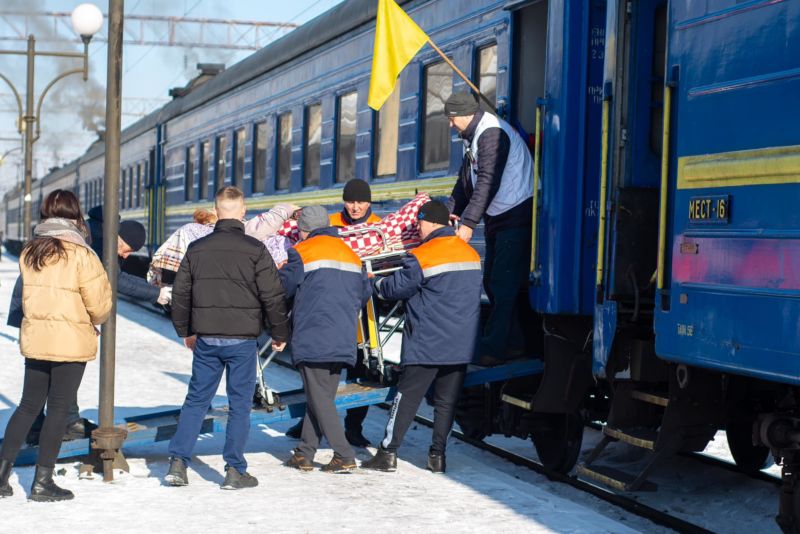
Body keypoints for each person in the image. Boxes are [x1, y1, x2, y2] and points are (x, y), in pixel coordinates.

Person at [165, 186, 290, 490]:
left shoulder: (197, 249)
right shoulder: (256, 249)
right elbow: (272, 296)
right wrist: (279, 332)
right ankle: (234, 470)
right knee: (239, 405)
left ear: (216, 211)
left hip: (207, 339)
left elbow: (180, 294)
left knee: (196, 400)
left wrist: (186, 331)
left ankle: (178, 463)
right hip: (241, 341)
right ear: (243, 212)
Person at [0, 189, 112, 501]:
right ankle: (42, 483)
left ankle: (1, 476)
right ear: (75, 216)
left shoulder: (30, 252)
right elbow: (100, 306)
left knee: (27, 406)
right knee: (58, 410)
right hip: (71, 343)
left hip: (37, 340)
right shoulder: (83, 255)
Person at [361, 201, 481, 474]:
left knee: (406, 398)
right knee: (446, 402)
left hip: (426, 343)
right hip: (460, 344)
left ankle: (387, 453)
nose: (418, 228)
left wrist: (373, 281)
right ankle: (437, 457)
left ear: (431, 222)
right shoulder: (471, 254)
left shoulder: (423, 255)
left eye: (420, 223)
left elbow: (393, 289)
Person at [285, 180, 380, 446]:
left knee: (358, 374)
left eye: (361, 202)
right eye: (350, 201)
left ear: (369, 202)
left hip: (359, 317)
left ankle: (352, 430)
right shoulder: (330, 223)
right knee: (320, 383)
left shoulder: (377, 226)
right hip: (335, 313)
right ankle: (308, 435)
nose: (355, 207)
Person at [444, 92, 533, 366]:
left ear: (465, 114)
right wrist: (450, 211)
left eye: (451, 118)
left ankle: (494, 349)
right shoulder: (473, 136)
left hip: (516, 214)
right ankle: (517, 343)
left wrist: (469, 222)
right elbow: (465, 180)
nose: (450, 125)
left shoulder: (492, 134)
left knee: (501, 283)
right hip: (500, 216)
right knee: (495, 283)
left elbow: (487, 181)